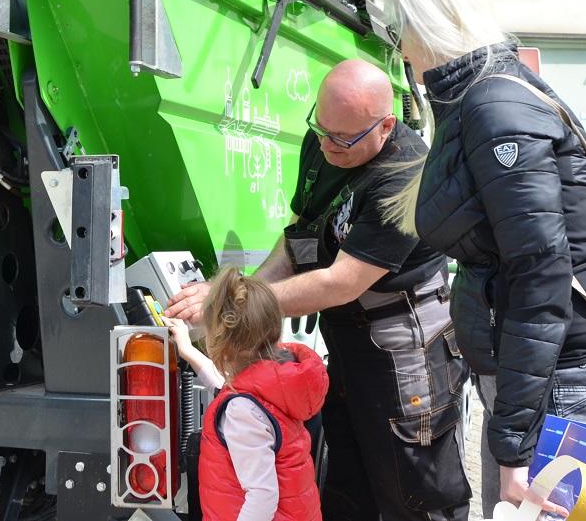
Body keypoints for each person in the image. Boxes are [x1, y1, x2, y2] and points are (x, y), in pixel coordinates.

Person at [380, 0, 586, 521]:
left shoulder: (494, 105)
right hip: (545, 391)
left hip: (563, 395)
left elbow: (539, 274)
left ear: (428, 24)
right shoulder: (485, 98)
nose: (399, 47)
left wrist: (514, 446)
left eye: (400, 28)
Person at [166, 59, 471, 521]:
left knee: (414, 492)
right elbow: (298, 238)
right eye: (320, 129)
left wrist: (235, 300)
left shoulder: (407, 174)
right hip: (346, 335)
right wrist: (243, 291)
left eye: (341, 138)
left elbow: (341, 282)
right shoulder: (327, 139)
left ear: (386, 126)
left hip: (404, 348)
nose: (325, 145)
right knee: (347, 486)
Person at [167, 268, 328, 521]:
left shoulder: (242, 412)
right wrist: (186, 349)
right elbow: (225, 386)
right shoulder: (276, 383)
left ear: (222, 345)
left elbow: (262, 497)